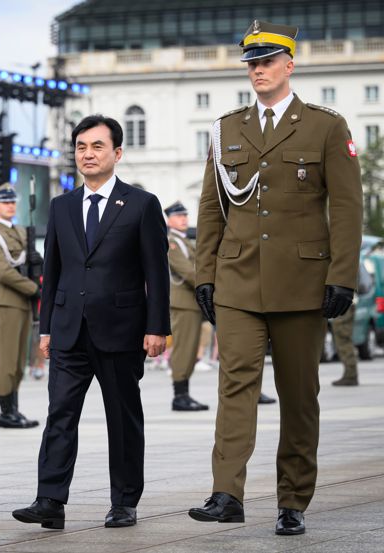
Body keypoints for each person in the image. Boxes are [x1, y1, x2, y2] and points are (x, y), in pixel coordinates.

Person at [189, 21, 363, 537]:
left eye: (267, 61)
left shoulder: (325, 126)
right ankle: (227, 494)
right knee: (235, 385)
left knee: (298, 394)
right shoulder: (227, 129)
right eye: (251, 63)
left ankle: (293, 501)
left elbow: (348, 207)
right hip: (238, 280)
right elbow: (211, 207)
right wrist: (205, 273)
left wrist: (343, 276)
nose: (257, 70)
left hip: (302, 283)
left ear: (290, 64)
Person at [12, 114, 170, 530]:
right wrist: (45, 328)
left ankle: (124, 502)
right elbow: (54, 272)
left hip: (120, 330)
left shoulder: (141, 204)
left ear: (117, 153)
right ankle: (49, 499)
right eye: (81, 147)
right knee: (59, 413)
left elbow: (157, 272)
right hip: (68, 330)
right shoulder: (62, 206)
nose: (88, 154)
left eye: (97, 146)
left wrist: (158, 327)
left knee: (122, 417)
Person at [0, 183, 41, 429]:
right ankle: (5, 411)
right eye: (5, 202)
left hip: (22, 303)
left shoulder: (20, 230)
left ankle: (14, 408)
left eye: (12, 202)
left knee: (19, 360)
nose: (10, 206)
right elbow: (4, 271)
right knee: (6, 360)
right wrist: (34, 289)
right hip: (6, 300)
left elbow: (29, 264)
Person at [165, 201, 209, 411]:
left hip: (190, 303)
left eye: (185, 215)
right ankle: (179, 395)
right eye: (178, 216)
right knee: (184, 349)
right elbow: (187, 271)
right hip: (183, 303)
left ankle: (184, 393)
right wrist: (210, 282)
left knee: (191, 350)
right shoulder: (171, 242)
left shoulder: (184, 240)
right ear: (169, 219)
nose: (183, 219)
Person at [331, 304, 358, 386]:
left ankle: (350, 375)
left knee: (343, 340)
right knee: (343, 340)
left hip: (345, 305)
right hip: (345, 304)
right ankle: (349, 374)